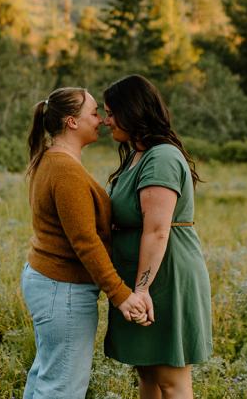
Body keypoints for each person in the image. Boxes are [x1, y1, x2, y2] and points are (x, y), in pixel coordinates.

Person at [21, 86, 153, 399]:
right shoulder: (65, 170)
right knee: (62, 386)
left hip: (51, 284)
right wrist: (121, 295)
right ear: (71, 122)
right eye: (94, 113)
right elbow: (84, 241)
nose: (102, 121)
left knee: (47, 377)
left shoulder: (54, 160)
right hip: (62, 288)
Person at [102, 75, 212, 399]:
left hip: (164, 276)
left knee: (170, 380)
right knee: (148, 373)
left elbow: (157, 229)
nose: (106, 120)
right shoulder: (137, 155)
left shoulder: (161, 157)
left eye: (111, 112)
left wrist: (142, 288)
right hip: (142, 276)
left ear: (132, 111)